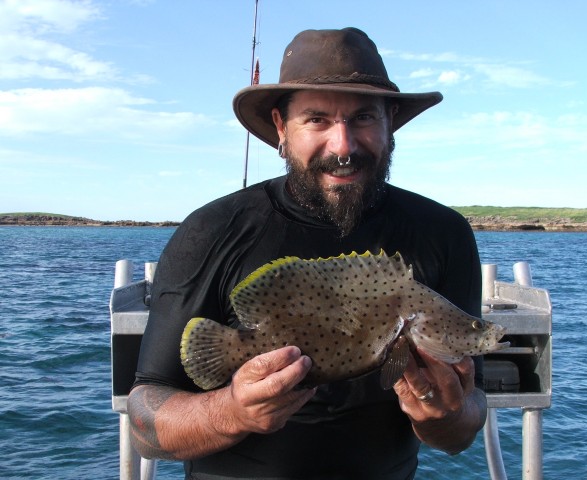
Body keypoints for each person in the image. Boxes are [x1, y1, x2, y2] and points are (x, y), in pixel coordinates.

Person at [128, 27, 487, 480]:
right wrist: (232, 411)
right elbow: (144, 422)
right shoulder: (212, 230)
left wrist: (447, 415)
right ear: (281, 126)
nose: (343, 146)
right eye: (317, 119)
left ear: (389, 121)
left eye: (363, 118)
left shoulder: (444, 233)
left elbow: (462, 430)